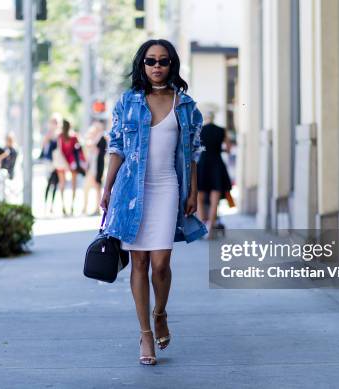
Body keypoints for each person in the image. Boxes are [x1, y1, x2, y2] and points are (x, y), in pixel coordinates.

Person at [99, 39, 207, 366]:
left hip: (167, 187)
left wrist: (193, 193)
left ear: (172, 64)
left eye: (163, 61)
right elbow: (116, 147)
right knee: (140, 263)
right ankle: (145, 334)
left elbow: (193, 153)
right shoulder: (127, 102)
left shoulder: (185, 105)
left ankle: (160, 312)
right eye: (150, 61)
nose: (156, 66)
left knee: (160, 264)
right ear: (142, 65)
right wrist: (107, 188)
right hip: (132, 190)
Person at [196, 111, 233, 239]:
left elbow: (195, 147)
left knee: (199, 196)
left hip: (204, 164)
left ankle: (202, 225)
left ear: (205, 118)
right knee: (214, 200)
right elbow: (228, 149)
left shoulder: (200, 130)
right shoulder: (222, 130)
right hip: (217, 164)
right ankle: (210, 227)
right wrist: (219, 148)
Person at [56, 119, 85, 216]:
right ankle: (72, 206)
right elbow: (80, 148)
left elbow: (59, 150)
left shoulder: (60, 136)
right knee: (73, 184)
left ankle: (63, 206)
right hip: (72, 162)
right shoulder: (74, 136)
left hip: (62, 161)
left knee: (62, 184)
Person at [82, 121, 107, 216]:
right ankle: (85, 207)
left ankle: (97, 208)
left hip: (98, 167)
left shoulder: (102, 138)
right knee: (87, 187)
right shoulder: (94, 138)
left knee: (97, 187)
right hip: (92, 166)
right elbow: (88, 146)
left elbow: (101, 152)